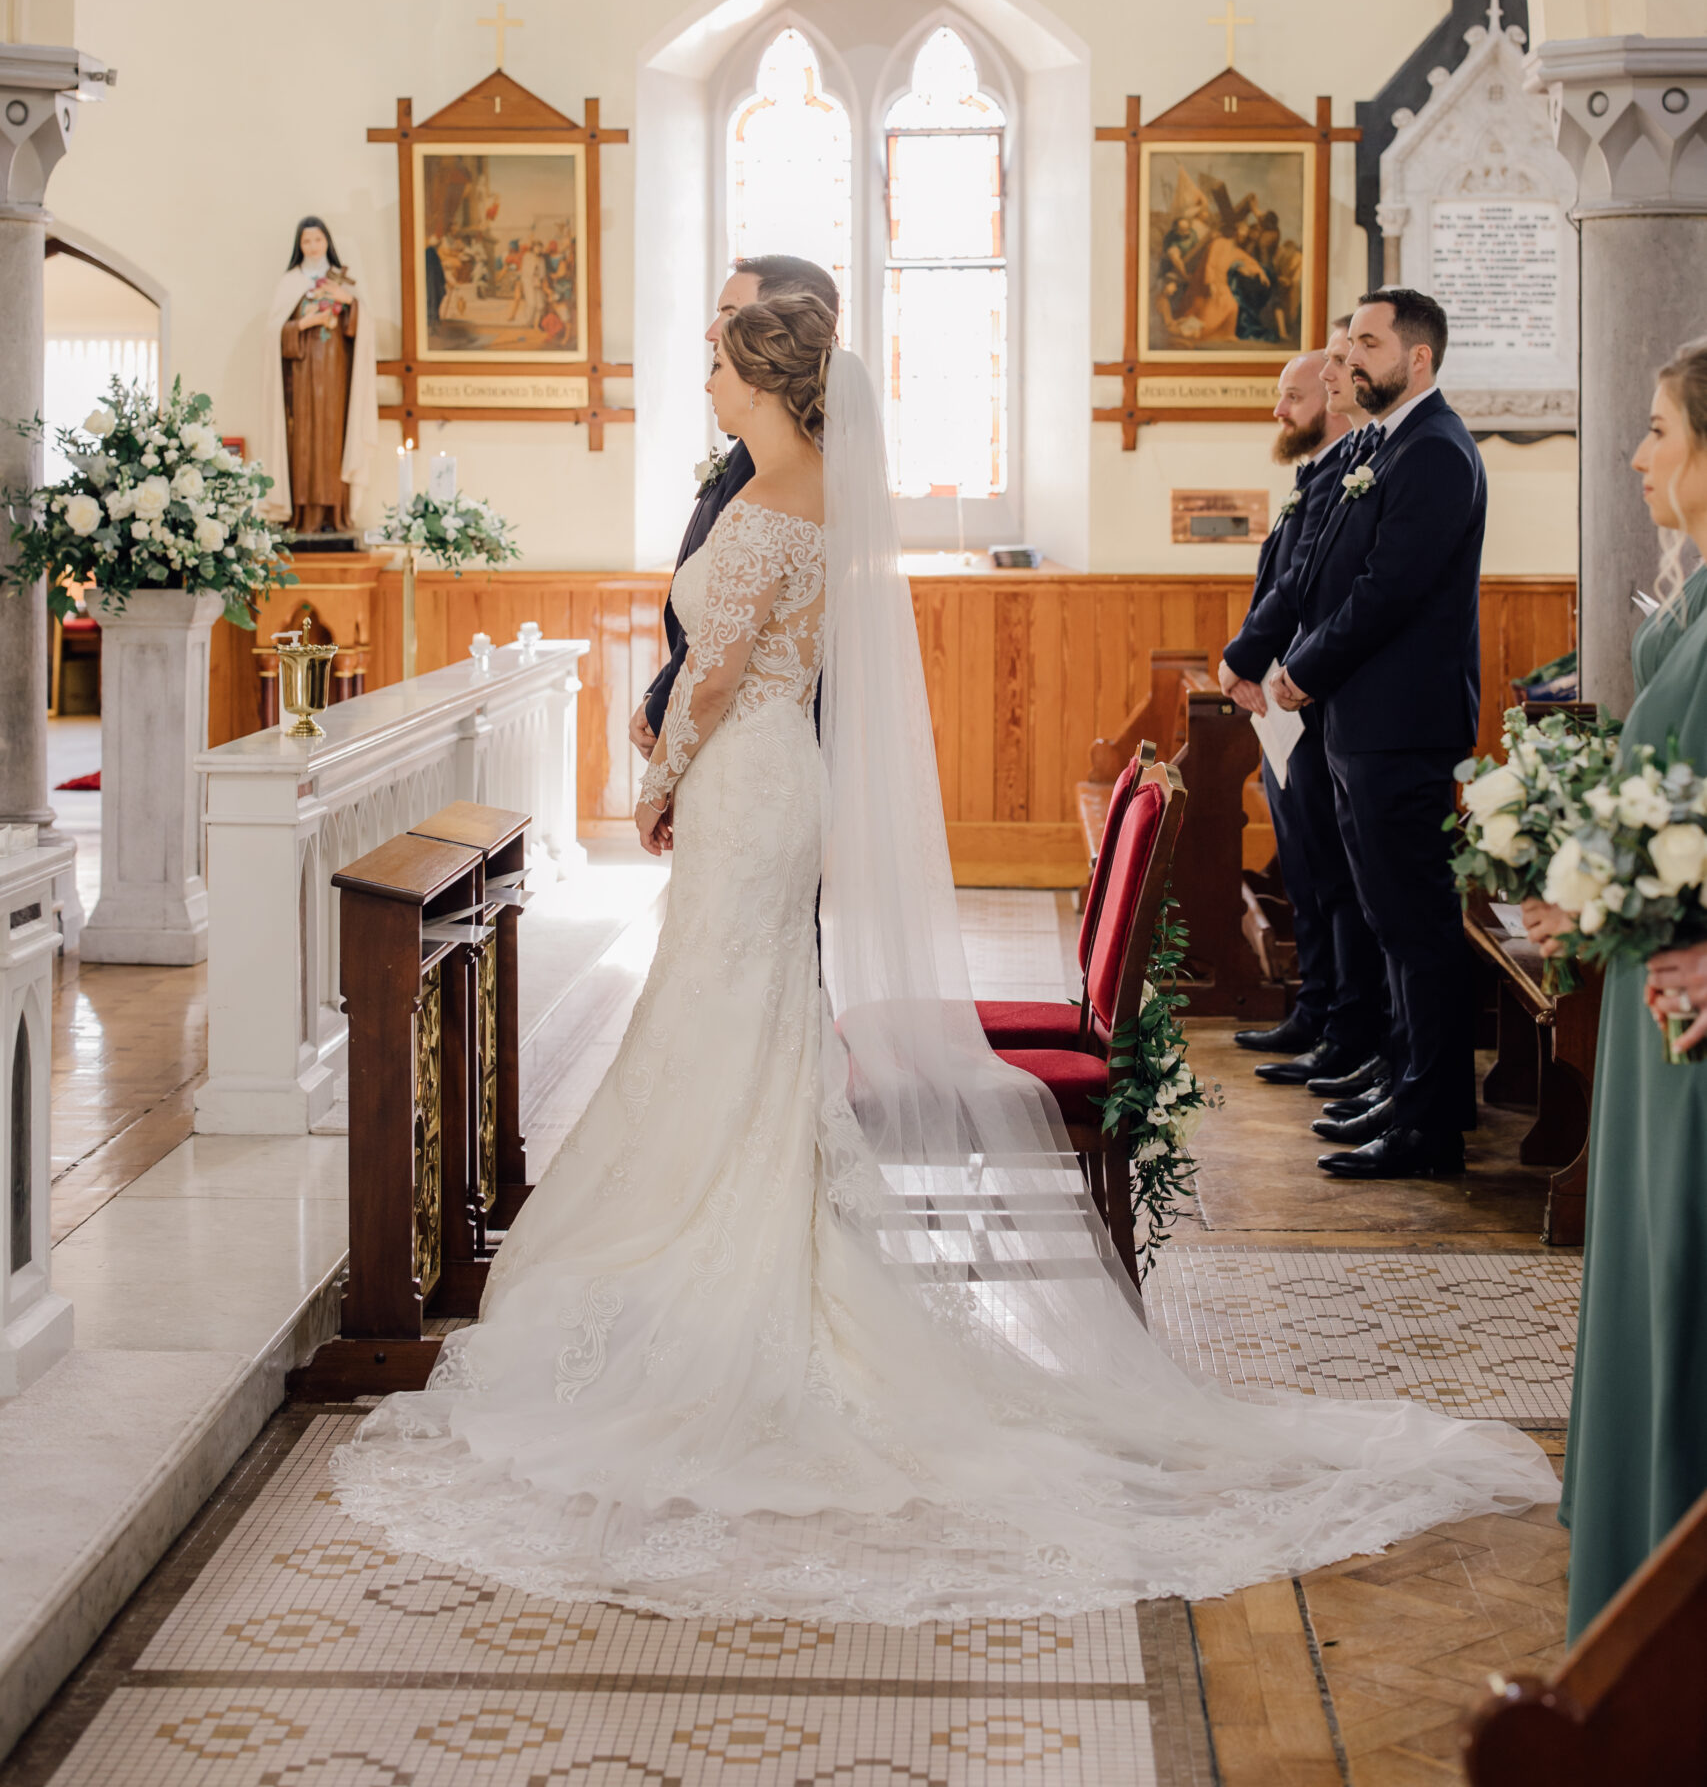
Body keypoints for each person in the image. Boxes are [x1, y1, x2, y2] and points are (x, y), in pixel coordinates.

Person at [331, 293, 1553, 1621]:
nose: (705, 378)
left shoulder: (763, 504)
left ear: (761, 378)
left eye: (718, 363)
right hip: (771, 780)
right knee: (742, 1026)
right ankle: (750, 1256)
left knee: (722, 1021)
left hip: (742, 781)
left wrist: (656, 777)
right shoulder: (810, 495)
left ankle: (728, 1287)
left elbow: (721, 664)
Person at [1525, 340, 1707, 1637]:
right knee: (1640, 1271)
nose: (1637, 455)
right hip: (1656, 991)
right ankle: (1636, 1585)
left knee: (1680, 1280)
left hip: (1691, 1008)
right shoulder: (1687, 598)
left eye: (1655, 431)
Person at [1264, 288, 1485, 1179]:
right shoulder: (1390, 445)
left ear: (1417, 359)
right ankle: (1404, 1085)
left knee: (1416, 929)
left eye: (1364, 342)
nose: (1344, 358)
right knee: (1392, 925)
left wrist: (1300, 669)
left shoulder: (1432, 452)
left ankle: (1430, 1126)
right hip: (1368, 724)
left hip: (1401, 727)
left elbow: (1386, 592)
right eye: (1346, 340)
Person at [629, 252, 839, 760]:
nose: (711, 331)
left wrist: (662, 711)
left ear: (779, 329)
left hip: (747, 738)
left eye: (728, 311)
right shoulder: (763, 448)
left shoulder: (778, 468)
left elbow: (730, 627)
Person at [1218, 345, 1352, 1058]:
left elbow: (1301, 586)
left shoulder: (1345, 478)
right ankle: (1316, 1008)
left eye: (1292, 397)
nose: (1278, 411)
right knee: (1301, 866)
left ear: (1330, 399)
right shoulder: (1316, 475)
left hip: (1308, 694)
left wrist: (1243, 658)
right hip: (1283, 699)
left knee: (1328, 875)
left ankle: (1337, 1021)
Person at [258, 215, 379, 533]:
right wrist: (303, 324)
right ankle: (302, 515)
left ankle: (334, 516)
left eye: (318, 240)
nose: (313, 247)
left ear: (327, 242)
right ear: (299, 246)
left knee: (333, 439)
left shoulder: (340, 281)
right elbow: (274, 332)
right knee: (304, 440)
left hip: (336, 373)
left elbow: (364, 327)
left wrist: (347, 301)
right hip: (300, 375)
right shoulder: (290, 282)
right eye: (306, 241)